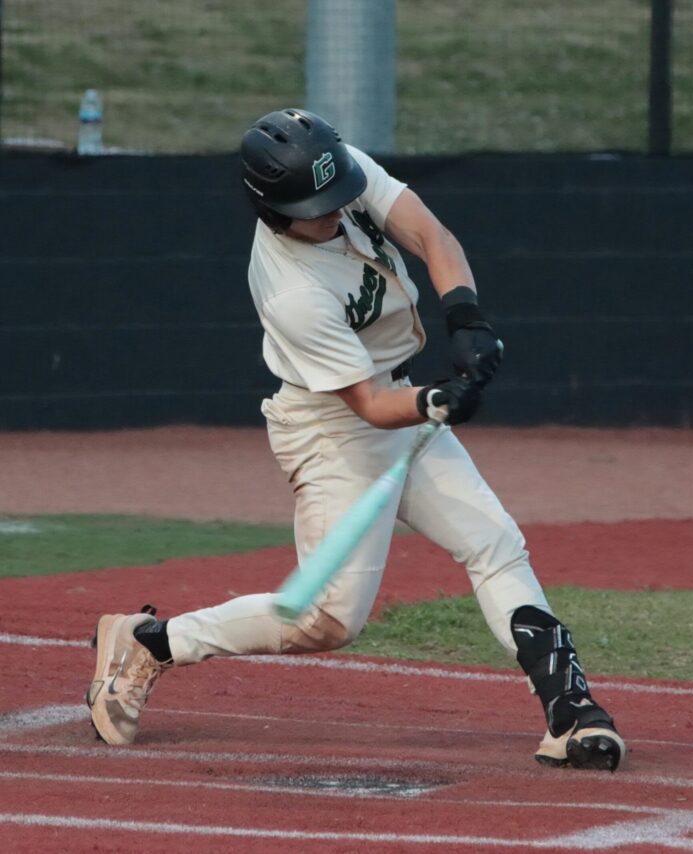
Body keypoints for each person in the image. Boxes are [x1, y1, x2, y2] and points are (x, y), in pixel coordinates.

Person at [85, 108, 625, 772]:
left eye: (339, 194)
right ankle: (152, 642)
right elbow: (368, 405)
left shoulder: (330, 169)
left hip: (398, 396)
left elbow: (430, 233)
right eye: (319, 210)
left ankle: (571, 711)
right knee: (328, 622)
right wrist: (434, 400)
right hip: (332, 429)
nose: (338, 211)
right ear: (276, 213)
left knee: (494, 541)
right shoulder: (292, 293)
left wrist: (466, 316)